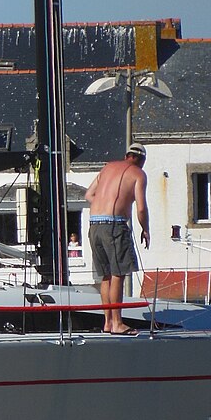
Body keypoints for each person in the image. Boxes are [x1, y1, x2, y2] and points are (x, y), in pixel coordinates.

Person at [84, 141, 150, 336]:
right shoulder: (138, 174)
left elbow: (89, 194)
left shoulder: (107, 168)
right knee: (118, 275)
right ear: (141, 159)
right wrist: (145, 229)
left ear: (127, 155)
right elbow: (141, 208)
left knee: (105, 275)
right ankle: (118, 323)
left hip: (94, 224)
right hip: (114, 225)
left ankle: (107, 323)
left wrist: (105, 203)